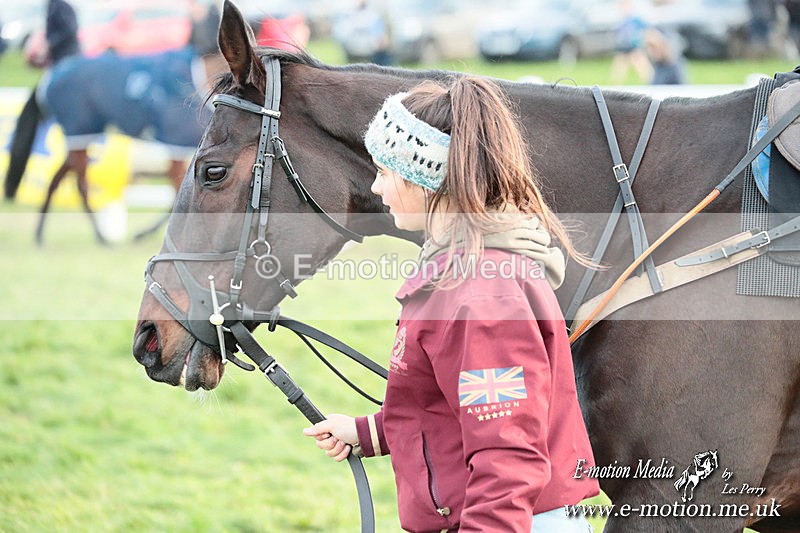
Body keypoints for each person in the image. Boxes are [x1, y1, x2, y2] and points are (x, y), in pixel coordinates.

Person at [303, 77, 600, 532]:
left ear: (426, 181)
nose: (377, 188)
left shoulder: (482, 296)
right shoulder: (458, 271)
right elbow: (456, 404)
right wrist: (368, 433)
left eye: (385, 172)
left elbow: (507, 453)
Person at [3, 0, 80, 201]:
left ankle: (11, 188)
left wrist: (47, 45)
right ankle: (11, 187)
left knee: (26, 124)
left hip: (62, 76)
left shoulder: (59, 6)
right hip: (60, 72)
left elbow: (69, 31)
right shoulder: (55, 6)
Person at [610, 0, 653, 84]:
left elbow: (647, 28)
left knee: (642, 66)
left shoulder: (635, 19)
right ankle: (616, 85)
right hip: (623, 48)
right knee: (619, 68)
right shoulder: (621, 20)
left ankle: (652, 81)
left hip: (634, 47)